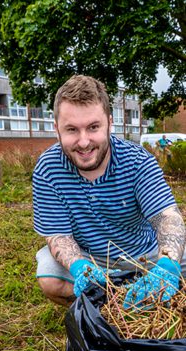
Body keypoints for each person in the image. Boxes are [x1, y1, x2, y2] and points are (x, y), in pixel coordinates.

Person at [32, 75, 186, 308]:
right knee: (49, 278)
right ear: (57, 129)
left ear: (109, 124)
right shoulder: (47, 169)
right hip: (91, 259)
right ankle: (103, 311)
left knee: (175, 257)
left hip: (146, 254)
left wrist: (168, 263)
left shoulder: (137, 161)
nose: (84, 142)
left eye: (93, 127)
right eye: (72, 129)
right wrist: (78, 266)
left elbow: (167, 216)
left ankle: (155, 293)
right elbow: (58, 235)